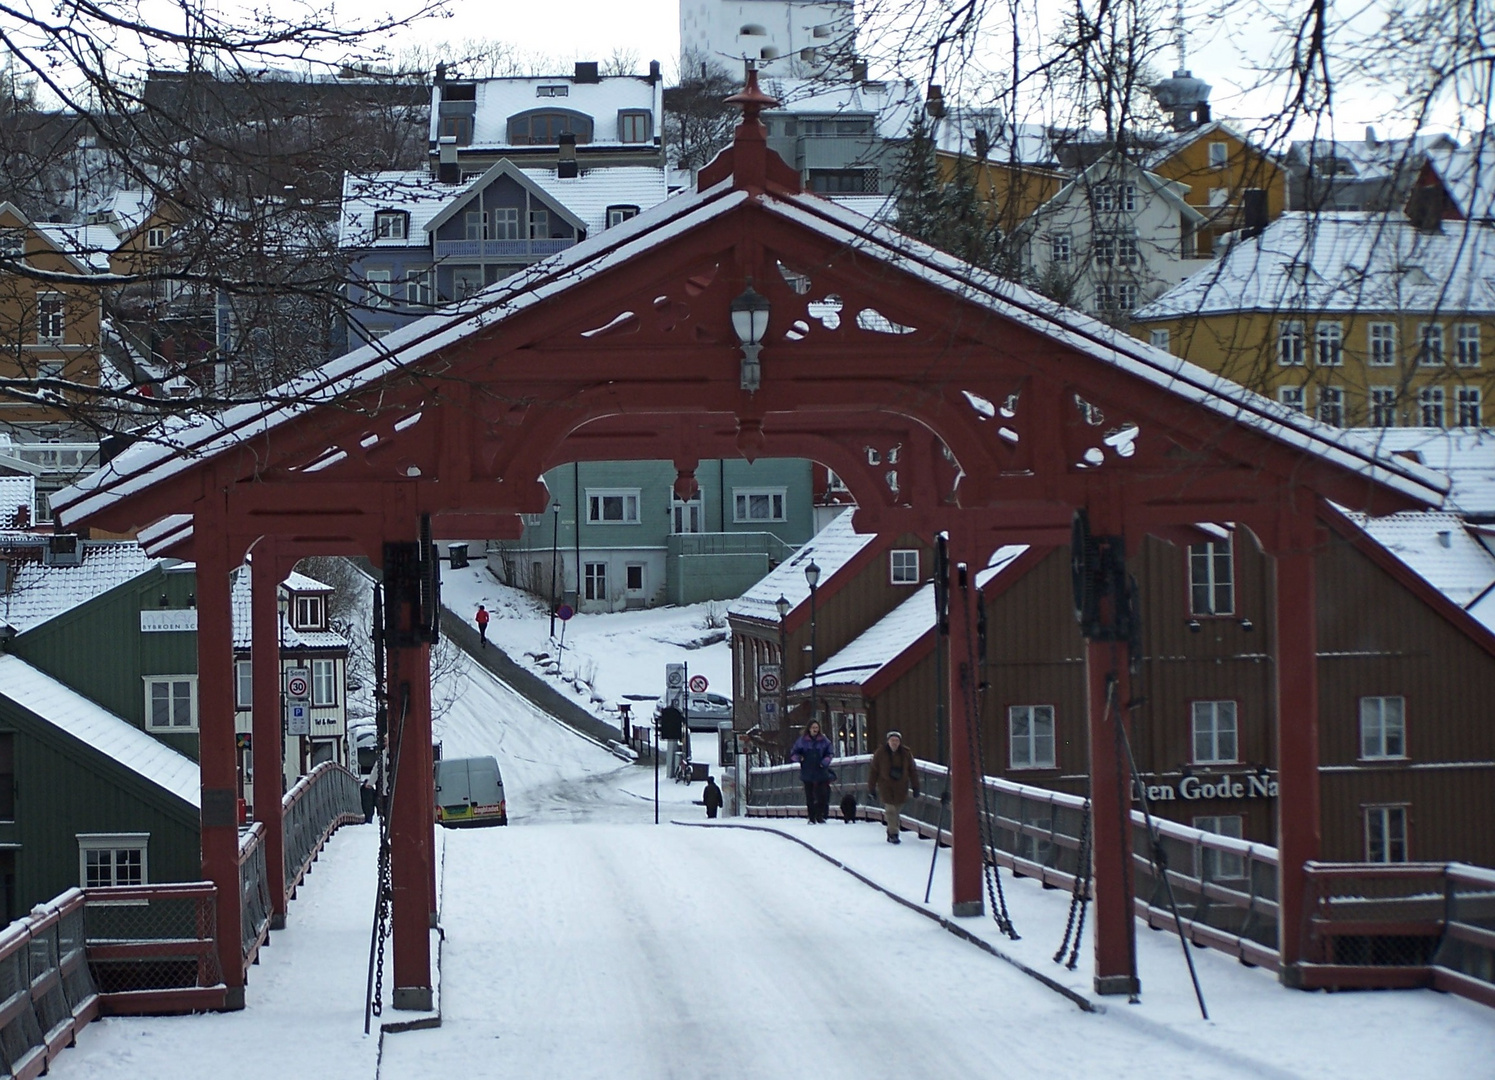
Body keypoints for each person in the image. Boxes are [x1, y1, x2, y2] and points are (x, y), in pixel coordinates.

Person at [868, 730, 920, 844]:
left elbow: (913, 770)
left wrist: (916, 787)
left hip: (901, 786)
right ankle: (894, 834)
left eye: (897, 740)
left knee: (896, 811)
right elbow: (874, 771)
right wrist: (871, 787)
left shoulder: (906, 753)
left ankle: (890, 830)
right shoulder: (880, 753)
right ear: (888, 741)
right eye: (892, 740)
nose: (894, 743)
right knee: (890, 810)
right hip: (885, 786)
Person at [789, 719, 835, 824]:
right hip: (807, 771)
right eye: (813, 728)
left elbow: (830, 753)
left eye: (817, 728)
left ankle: (819, 815)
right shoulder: (802, 741)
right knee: (810, 796)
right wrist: (799, 758)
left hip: (821, 771)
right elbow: (793, 753)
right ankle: (812, 817)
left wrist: (824, 762)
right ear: (809, 729)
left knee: (822, 795)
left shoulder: (824, 741)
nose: (815, 730)